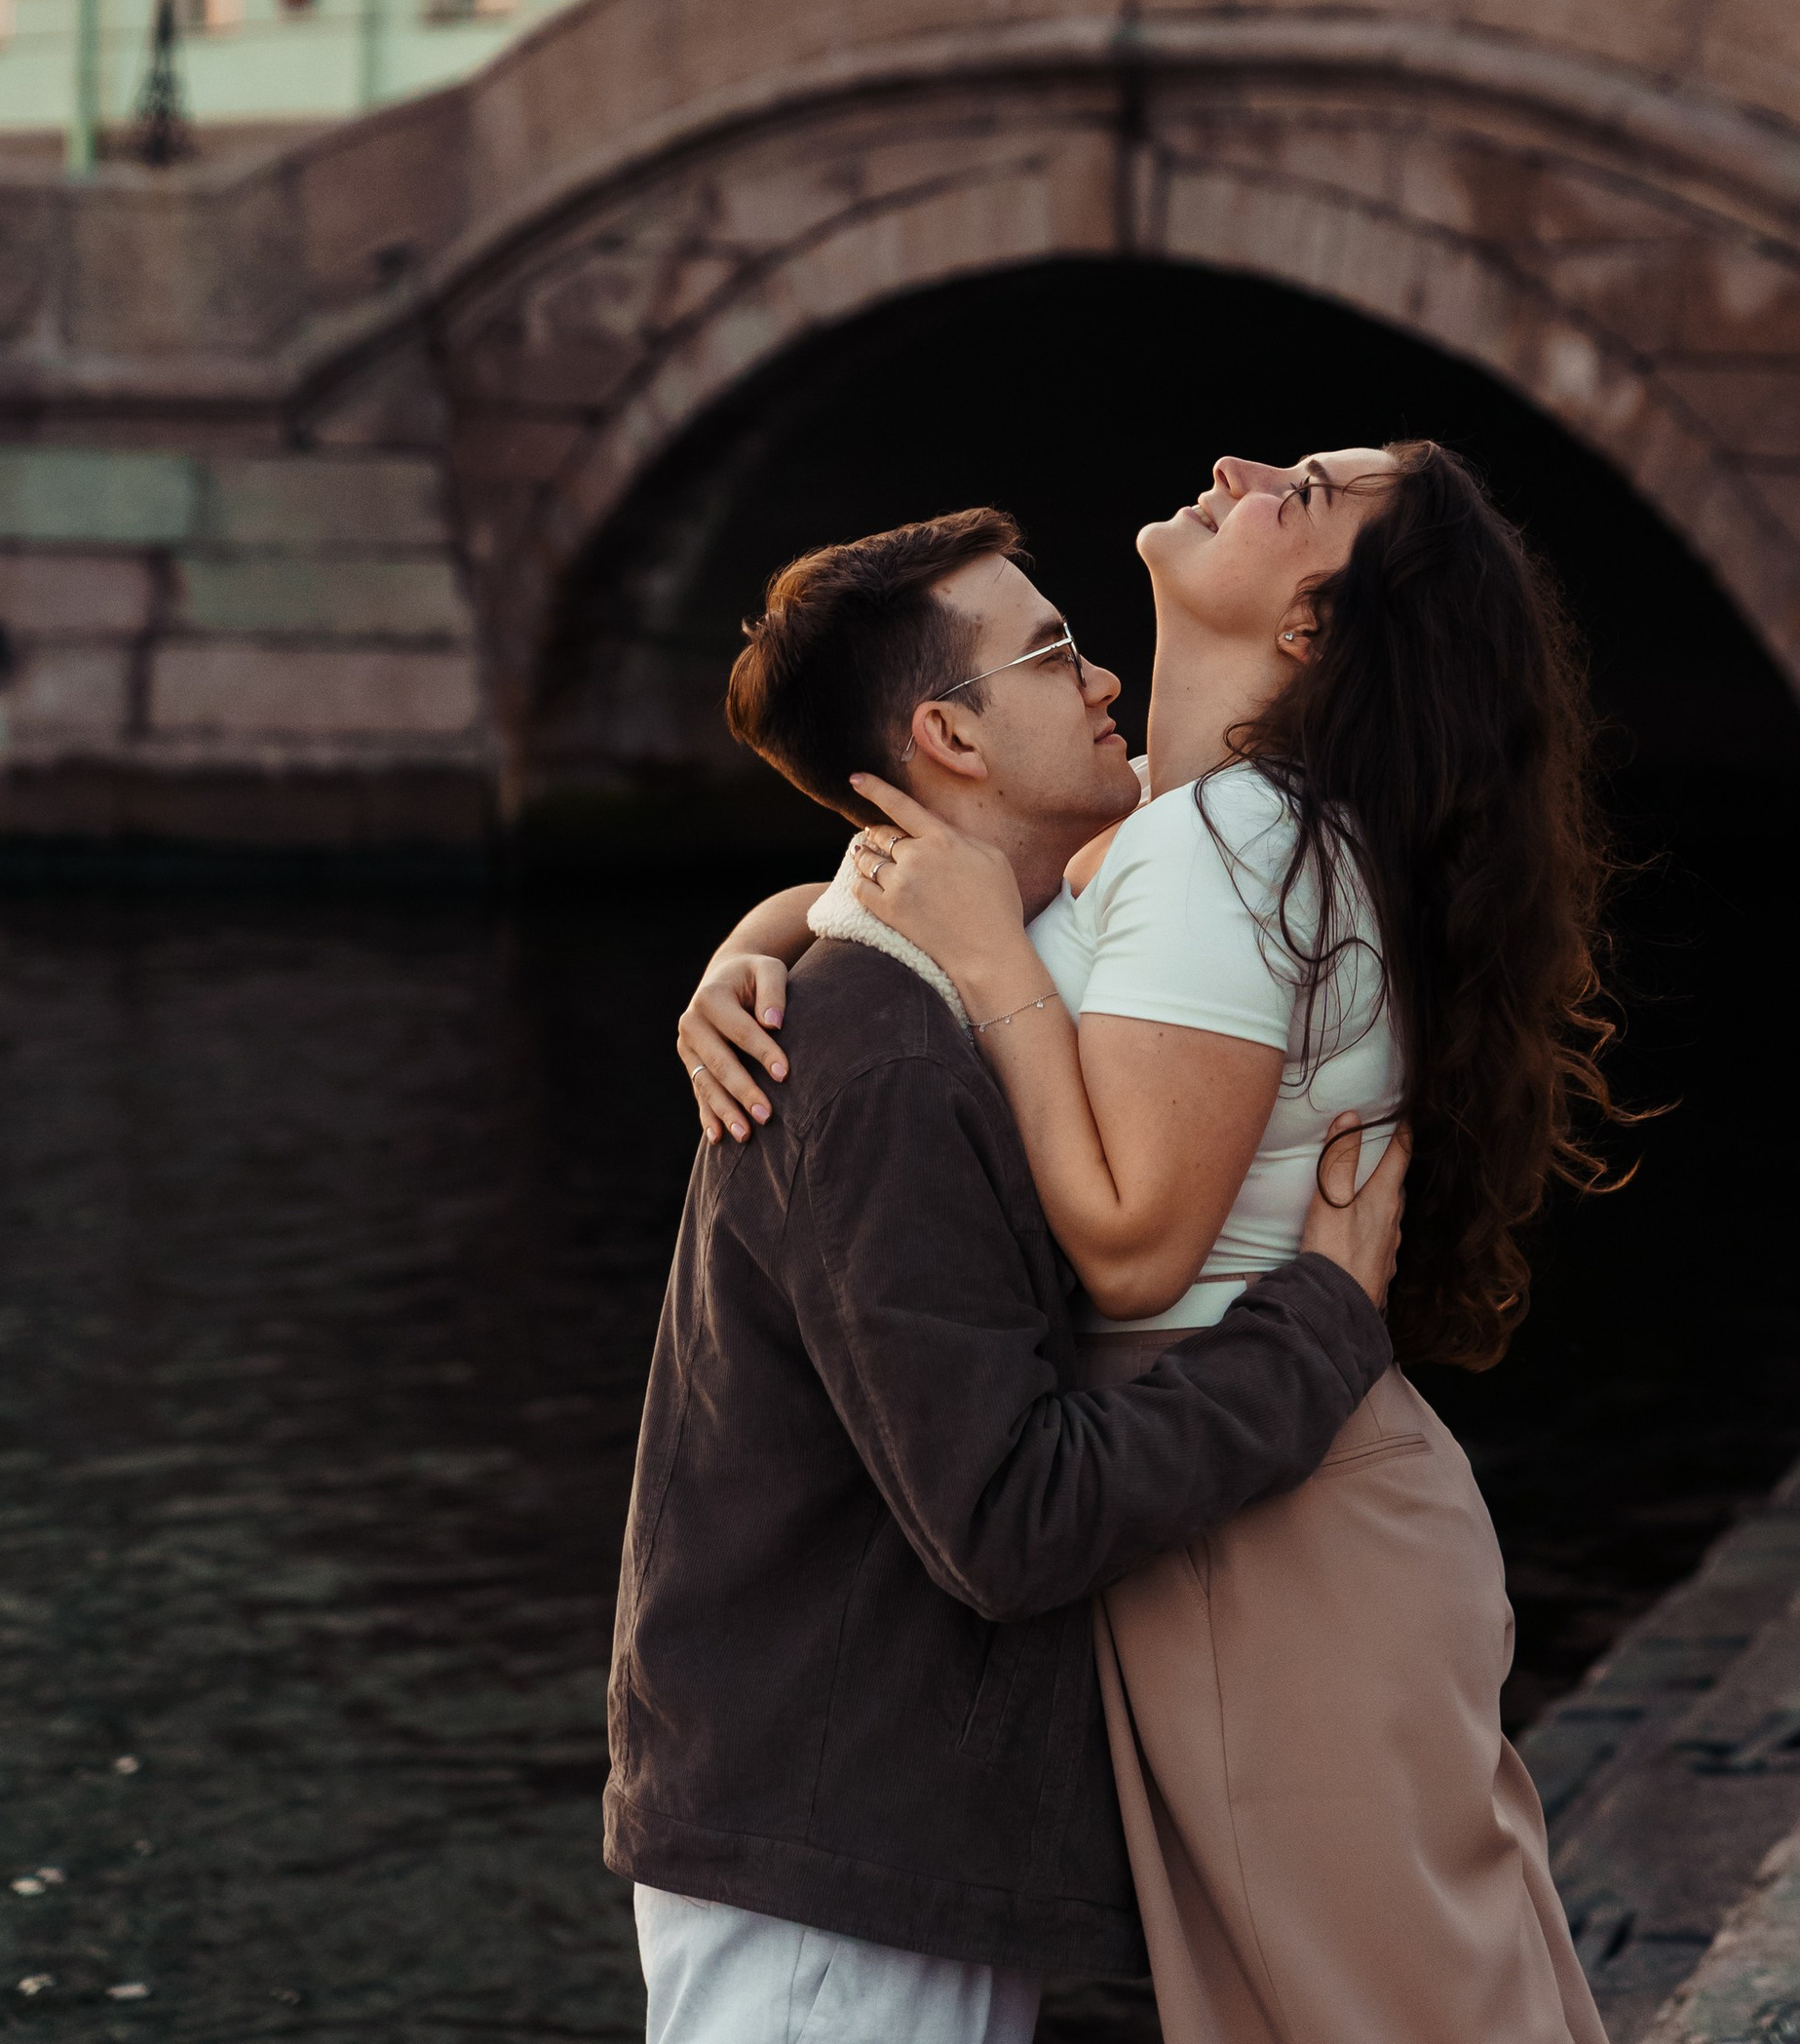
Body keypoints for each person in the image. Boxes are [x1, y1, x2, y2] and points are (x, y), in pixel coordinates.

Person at [682, 444, 1618, 2044]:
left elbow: (1127, 1254)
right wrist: (770, 934)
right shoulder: (1186, 835)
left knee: (1394, 2011)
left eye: (1302, 492)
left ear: (1315, 628)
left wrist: (985, 967)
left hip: (1273, 1515)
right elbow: (945, 910)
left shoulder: (1229, 838)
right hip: (1248, 1494)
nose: (1240, 467)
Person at [607, 503, 1411, 2044]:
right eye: (1051, 654)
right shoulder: (885, 1057)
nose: (1102, 677)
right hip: (828, 1856)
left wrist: (755, 930)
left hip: (870, 1823)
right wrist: (1316, 1326)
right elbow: (1013, 1519)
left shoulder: (960, 986)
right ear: (946, 739)